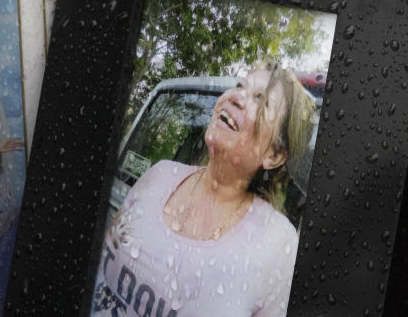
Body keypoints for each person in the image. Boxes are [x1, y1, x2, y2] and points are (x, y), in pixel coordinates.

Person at [92, 65, 317, 317]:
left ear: (274, 155)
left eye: (260, 100)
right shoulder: (160, 174)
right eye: (240, 86)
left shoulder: (278, 245)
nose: (236, 96)